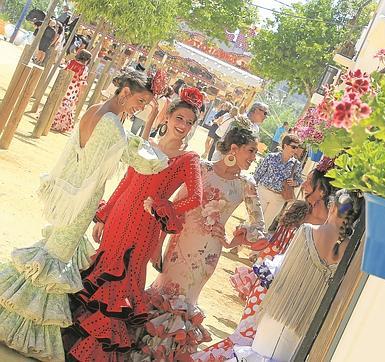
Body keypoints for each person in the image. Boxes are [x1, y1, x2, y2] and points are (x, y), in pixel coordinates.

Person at [0, 71, 167, 361]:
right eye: (140, 100)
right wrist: (158, 139)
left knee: (49, 255)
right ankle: (19, 330)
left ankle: (14, 319)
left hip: (72, 193)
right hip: (82, 200)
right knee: (54, 262)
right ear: (124, 91)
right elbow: (141, 160)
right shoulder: (112, 124)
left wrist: (151, 119)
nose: (141, 107)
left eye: (146, 104)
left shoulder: (95, 110)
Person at [65, 88, 204, 361]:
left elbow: (196, 198)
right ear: (168, 118)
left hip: (145, 228)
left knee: (124, 280)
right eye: (179, 118)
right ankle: (72, 342)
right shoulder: (145, 144)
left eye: (189, 122)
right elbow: (126, 182)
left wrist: (165, 207)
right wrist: (104, 217)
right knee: (102, 269)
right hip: (118, 219)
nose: (183, 126)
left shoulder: (189, 159)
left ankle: (93, 354)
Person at [131, 127, 267, 360]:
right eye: (251, 151)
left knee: (185, 302)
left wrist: (231, 240)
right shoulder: (202, 168)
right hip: (179, 245)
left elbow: (259, 228)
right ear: (234, 148)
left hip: (208, 256)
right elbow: (173, 208)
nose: (254, 158)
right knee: (163, 292)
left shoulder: (247, 183)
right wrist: (158, 246)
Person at [194, 159, 338, 361]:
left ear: (321, 190)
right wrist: (234, 242)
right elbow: (273, 243)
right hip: (265, 286)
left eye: (308, 181)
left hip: (291, 296)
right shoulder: (298, 210)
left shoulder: (329, 228)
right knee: (244, 338)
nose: (303, 185)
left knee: (262, 346)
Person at [225, 190, 362, 361]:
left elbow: (282, 269)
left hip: (281, 310)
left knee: (261, 353)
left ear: (332, 207)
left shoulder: (307, 231)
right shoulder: (351, 252)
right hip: (306, 322)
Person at [253, 134, 304, 227]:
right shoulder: (271, 157)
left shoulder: (297, 164)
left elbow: (300, 180)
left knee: (266, 225)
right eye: (293, 147)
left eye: (297, 147)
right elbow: (258, 173)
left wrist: (295, 182)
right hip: (263, 192)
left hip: (279, 198)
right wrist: (252, 188)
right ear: (285, 146)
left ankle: (256, 241)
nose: (296, 150)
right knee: (254, 220)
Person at [50, 49, 92, 133]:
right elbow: (82, 82)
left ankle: (51, 119)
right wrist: (80, 95)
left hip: (65, 85)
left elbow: (64, 71)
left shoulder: (70, 62)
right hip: (73, 89)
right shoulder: (84, 69)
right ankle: (60, 124)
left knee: (59, 102)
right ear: (87, 60)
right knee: (67, 106)